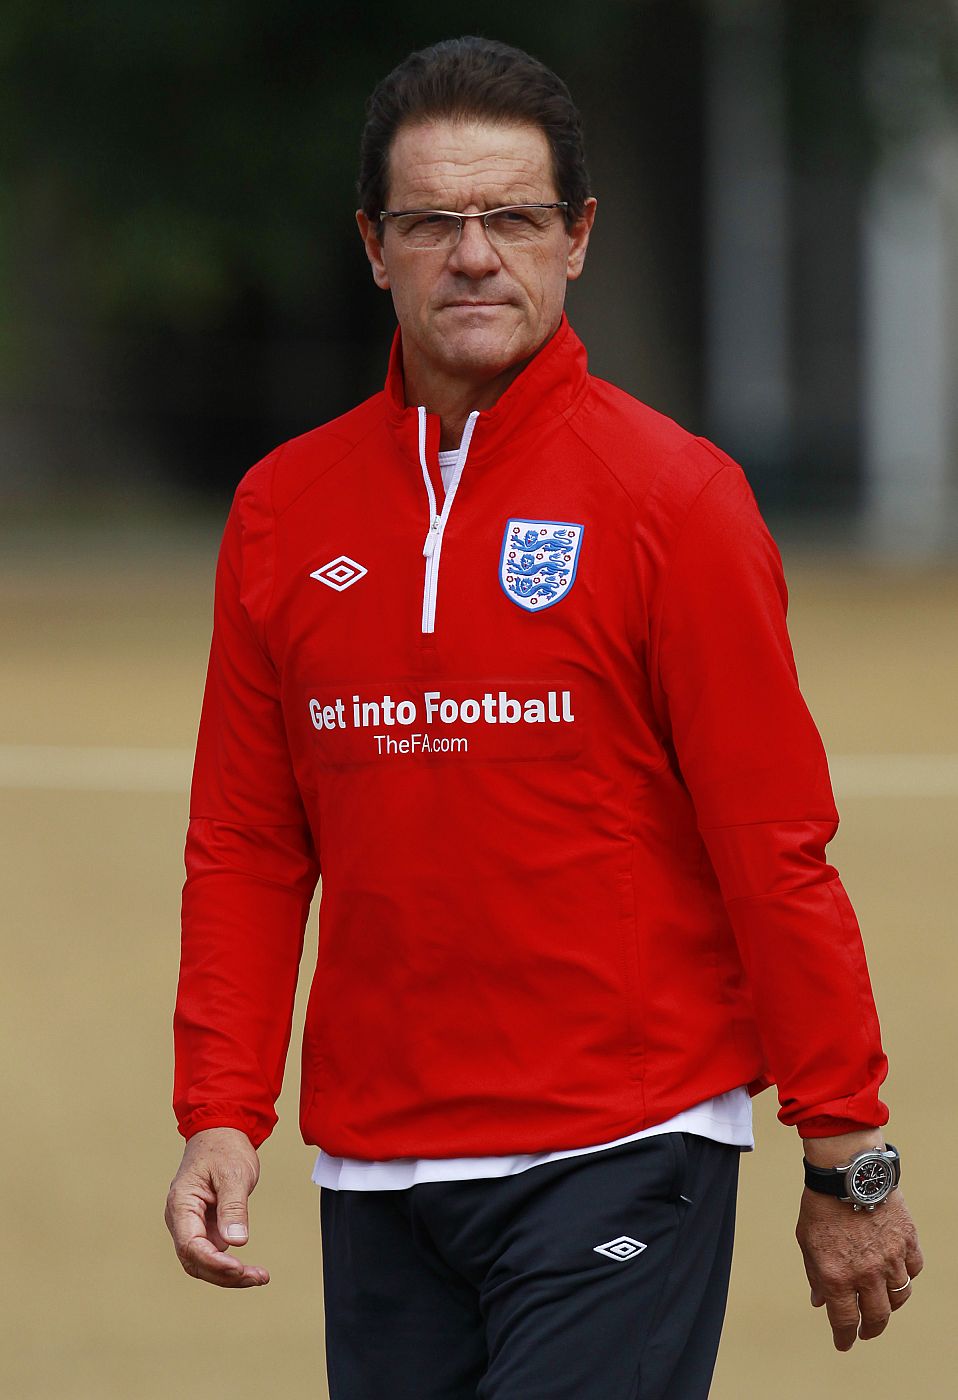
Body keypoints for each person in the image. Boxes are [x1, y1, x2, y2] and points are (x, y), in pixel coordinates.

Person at [165, 35, 922, 1399]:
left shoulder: (674, 500)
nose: (472, 254)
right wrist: (222, 1110)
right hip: (379, 1163)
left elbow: (773, 844)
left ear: (574, 239)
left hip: (622, 1142)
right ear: (370, 245)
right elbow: (246, 841)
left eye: (511, 217)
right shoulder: (282, 510)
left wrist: (846, 1149)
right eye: (430, 222)